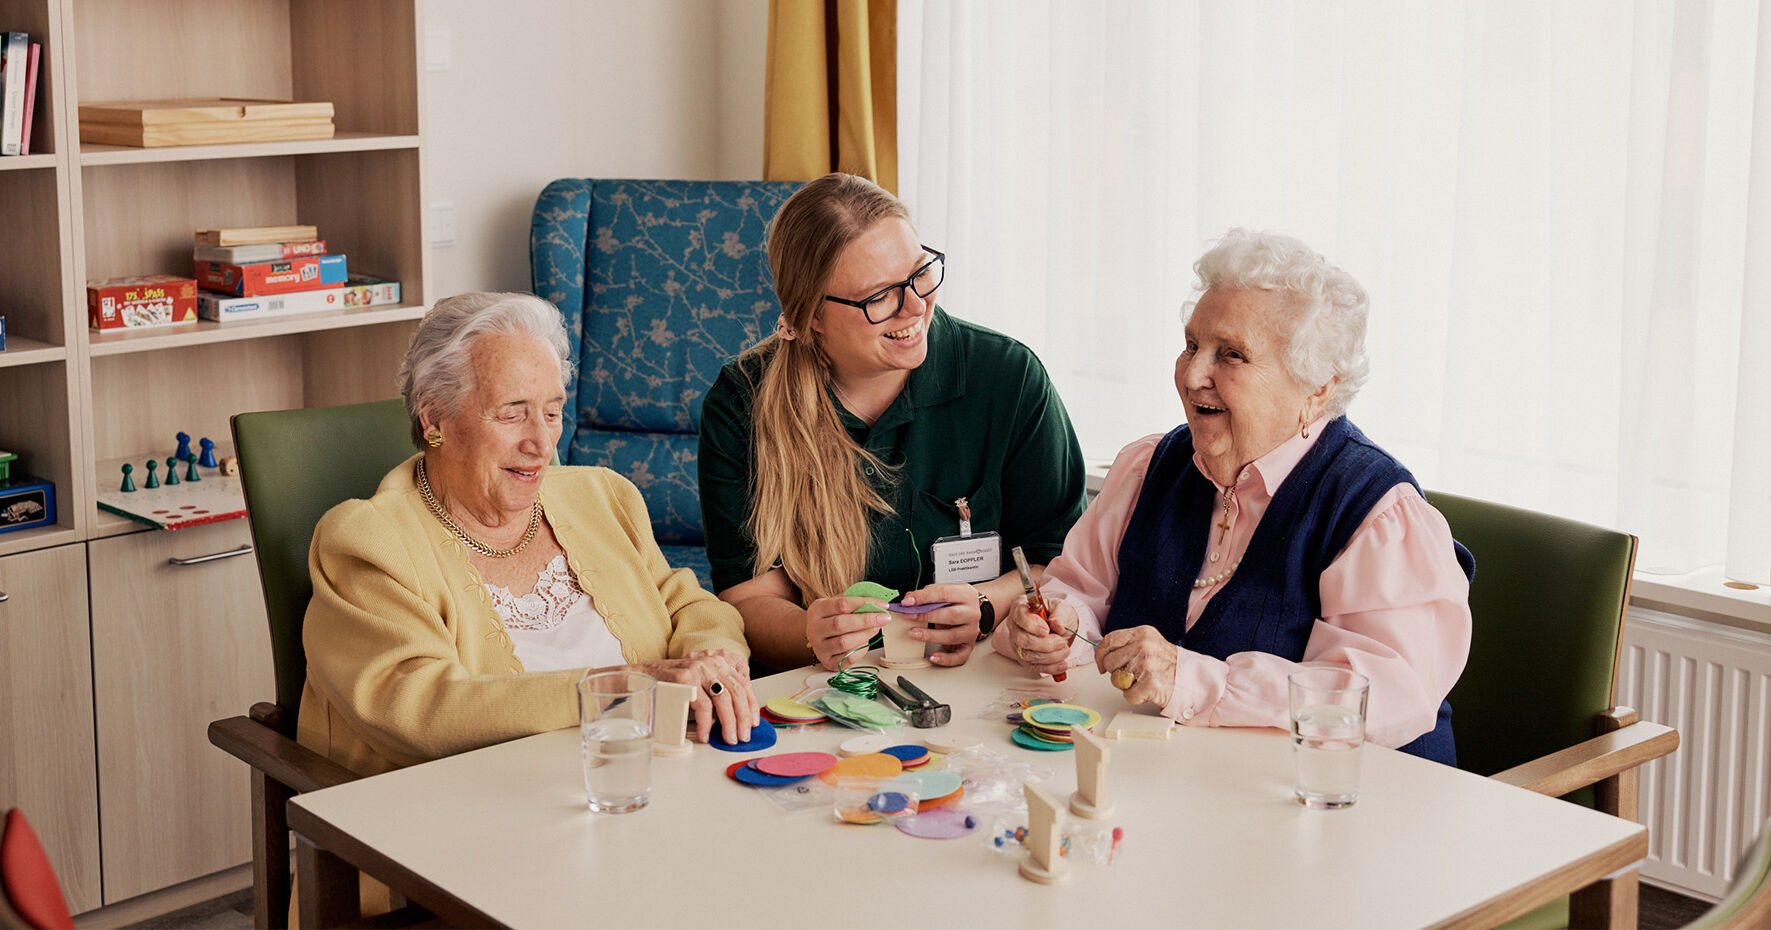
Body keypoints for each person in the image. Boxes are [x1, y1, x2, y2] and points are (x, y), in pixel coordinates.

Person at [995, 230, 1473, 763]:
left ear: (1318, 388)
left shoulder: (1375, 511)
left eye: (1232, 355)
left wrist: (1196, 679)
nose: (1192, 374)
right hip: (1184, 782)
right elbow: (1082, 589)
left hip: (1347, 803)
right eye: (1192, 344)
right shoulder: (1148, 467)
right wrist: (1059, 625)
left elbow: (1382, 697)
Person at [299, 292, 759, 776]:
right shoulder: (369, 542)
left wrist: (712, 668)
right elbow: (417, 709)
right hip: (463, 813)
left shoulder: (602, 497)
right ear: (434, 419)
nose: (542, 443)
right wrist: (627, 685)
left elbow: (691, 607)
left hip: (644, 783)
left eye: (553, 411)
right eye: (512, 413)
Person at [698, 173, 1088, 672]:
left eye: (919, 273)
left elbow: (1056, 559)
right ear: (811, 315)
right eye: (879, 295)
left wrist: (987, 606)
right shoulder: (742, 403)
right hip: (826, 688)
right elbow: (750, 598)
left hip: (985, 673)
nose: (915, 306)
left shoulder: (1008, 377)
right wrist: (813, 634)